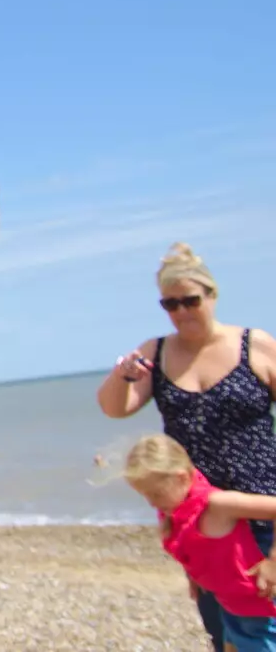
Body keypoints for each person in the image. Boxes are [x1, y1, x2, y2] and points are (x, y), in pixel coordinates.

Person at [98, 243, 276, 648]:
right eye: (170, 304)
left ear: (212, 295)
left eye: (190, 301)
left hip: (265, 510)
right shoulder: (156, 353)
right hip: (202, 522)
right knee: (225, 632)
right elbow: (115, 408)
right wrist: (121, 376)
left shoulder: (256, 345)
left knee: (263, 631)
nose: (180, 312)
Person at [125, 434, 276, 651]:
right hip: (231, 607)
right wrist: (197, 574)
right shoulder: (175, 511)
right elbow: (197, 545)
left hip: (262, 608)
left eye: (156, 494)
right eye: (145, 496)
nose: (151, 503)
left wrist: (273, 561)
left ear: (181, 478)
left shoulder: (217, 504)